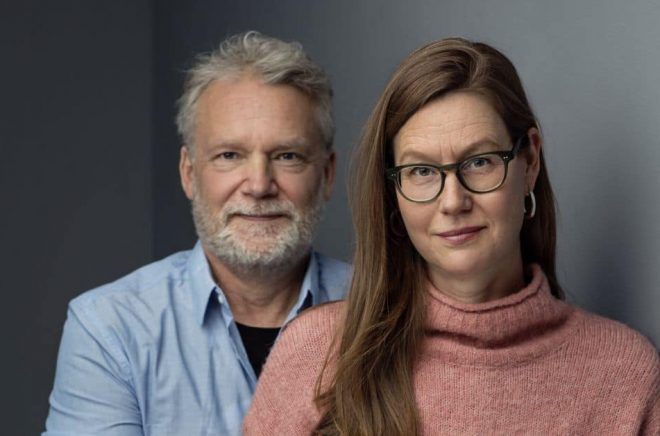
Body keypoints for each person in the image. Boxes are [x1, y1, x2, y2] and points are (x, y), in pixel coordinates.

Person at [243, 37, 659, 435]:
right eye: (421, 172)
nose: (453, 200)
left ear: (529, 161)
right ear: (393, 192)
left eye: (479, 162)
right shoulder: (318, 353)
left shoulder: (624, 373)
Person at [43, 31, 350, 436]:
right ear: (189, 173)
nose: (259, 184)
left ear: (326, 175)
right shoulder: (110, 330)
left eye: (287, 156)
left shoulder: (391, 311)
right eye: (229, 156)